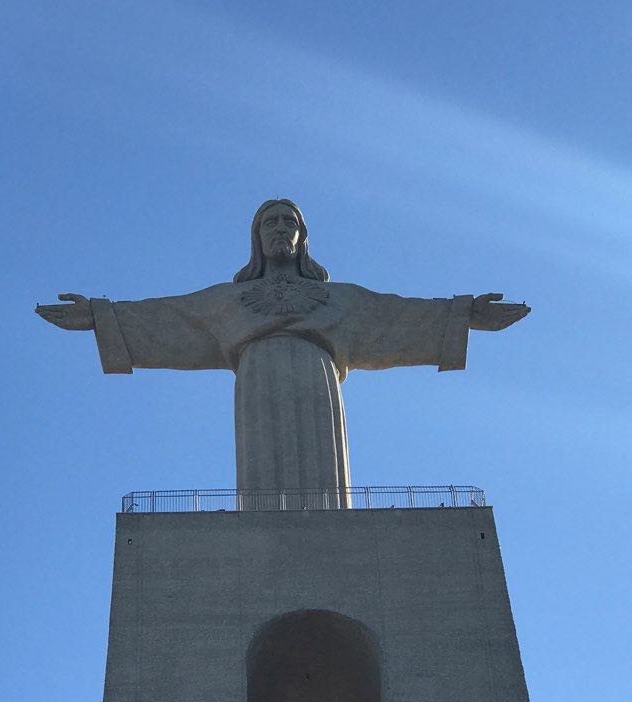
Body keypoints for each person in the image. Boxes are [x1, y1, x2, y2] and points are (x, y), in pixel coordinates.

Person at [36, 199, 529, 506]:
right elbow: (168, 316)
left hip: (319, 377)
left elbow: (396, 315)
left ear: (301, 237)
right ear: (256, 238)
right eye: (268, 222)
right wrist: (100, 316)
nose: (278, 228)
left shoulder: (341, 300)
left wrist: (464, 315)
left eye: (287, 222)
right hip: (257, 377)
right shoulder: (227, 301)